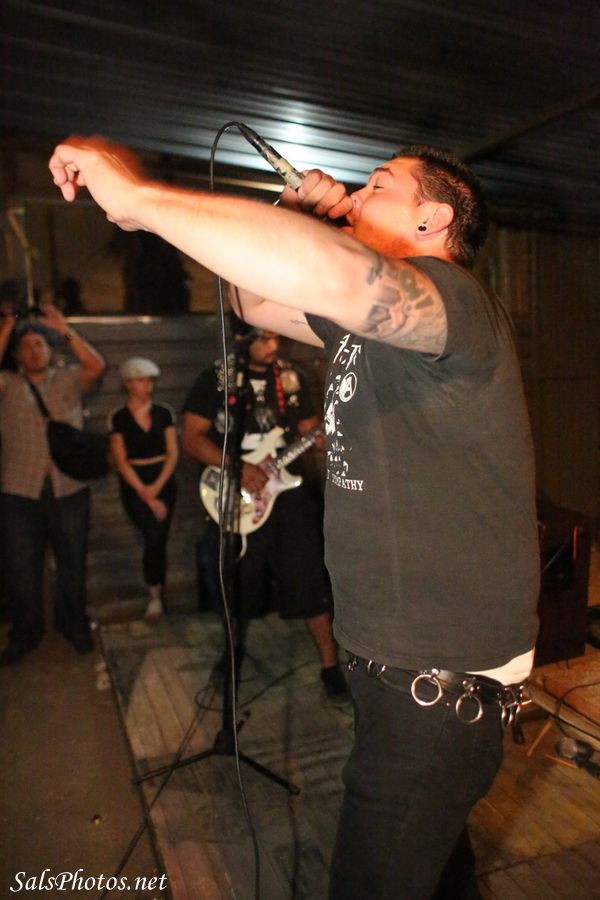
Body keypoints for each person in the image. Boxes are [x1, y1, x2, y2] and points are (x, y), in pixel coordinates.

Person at [48, 137, 540, 899]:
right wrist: (289, 209)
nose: (357, 193)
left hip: (436, 687)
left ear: (433, 218)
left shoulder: (456, 300)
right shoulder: (364, 327)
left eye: (378, 185)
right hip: (392, 670)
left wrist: (141, 199)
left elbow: (333, 270)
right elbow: (255, 301)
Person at [182, 321, 348, 698]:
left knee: (309, 579)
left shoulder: (292, 378)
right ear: (242, 339)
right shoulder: (216, 379)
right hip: (237, 496)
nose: (275, 344)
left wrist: (324, 438)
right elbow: (191, 438)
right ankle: (231, 655)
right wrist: (238, 469)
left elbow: (310, 429)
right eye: (266, 338)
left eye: (277, 336)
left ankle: (330, 667)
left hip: (288, 497)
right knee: (238, 582)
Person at [0, 304, 106, 664]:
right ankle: (25, 632)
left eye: (39, 345)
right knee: (21, 567)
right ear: (17, 355)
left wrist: (64, 330)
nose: (34, 351)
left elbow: (97, 367)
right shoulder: (8, 385)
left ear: (49, 350)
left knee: (72, 562)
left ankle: (72, 624)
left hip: (68, 489)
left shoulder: (68, 379)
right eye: (26, 346)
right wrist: (8, 327)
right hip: (19, 492)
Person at [108, 356, 178, 619]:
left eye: (149, 381)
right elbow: (120, 460)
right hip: (135, 481)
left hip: (162, 478)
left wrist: (157, 487)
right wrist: (146, 494)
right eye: (140, 381)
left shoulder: (163, 413)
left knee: (159, 536)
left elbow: (173, 453)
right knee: (151, 533)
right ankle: (154, 595)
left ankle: (156, 595)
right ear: (128, 384)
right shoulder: (118, 417)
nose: (146, 386)